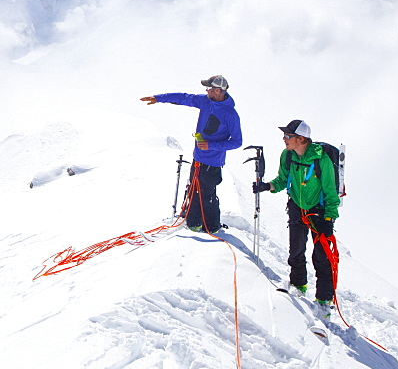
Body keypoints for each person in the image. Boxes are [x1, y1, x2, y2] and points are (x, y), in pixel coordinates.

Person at [253, 120, 340, 311]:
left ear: (301, 139)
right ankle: (298, 285)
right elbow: (283, 180)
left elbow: (330, 191)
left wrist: (329, 217)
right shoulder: (287, 155)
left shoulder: (321, 158)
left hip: (318, 211)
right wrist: (267, 186)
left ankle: (324, 301)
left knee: (322, 257)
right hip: (296, 207)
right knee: (296, 250)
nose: (284, 139)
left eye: (288, 136)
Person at [141, 75, 243, 234]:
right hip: (198, 158)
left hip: (213, 163)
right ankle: (193, 222)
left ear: (217, 90)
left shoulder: (230, 114)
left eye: (209, 88)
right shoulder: (206, 101)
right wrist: (158, 98)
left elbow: (237, 141)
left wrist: (211, 145)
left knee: (207, 194)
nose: (206, 90)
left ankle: (212, 227)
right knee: (193, 189)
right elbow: (184, 98)